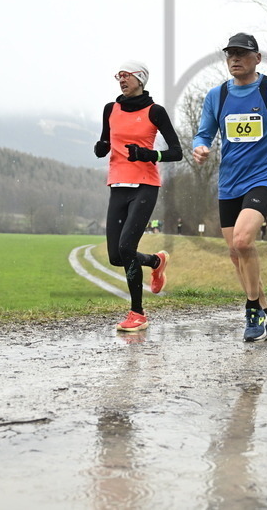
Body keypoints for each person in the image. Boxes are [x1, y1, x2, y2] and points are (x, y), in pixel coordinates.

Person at [192, 33, 267, 342]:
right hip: (228, 184)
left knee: (244, 241)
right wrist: (200, 147)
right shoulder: (216, 96)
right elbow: (203, 133)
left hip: (263, 178)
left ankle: (251, 311)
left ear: (257, 58)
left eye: (242, 53)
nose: (235, 58)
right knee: (236, 254)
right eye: (230, 54)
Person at [94, 61, 182, 332]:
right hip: (118, 185)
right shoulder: (111, 109)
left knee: (127, 248)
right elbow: (106, 142)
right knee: (116, 256)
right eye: (118, 76)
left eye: (126, 76)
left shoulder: (155, 111)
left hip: (145, 185)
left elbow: (176, 151)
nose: (121, 80)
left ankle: (138, 313)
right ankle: (156, 261)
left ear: (141, 79)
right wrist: (101, 147)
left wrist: (149, 154)